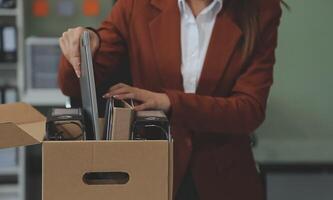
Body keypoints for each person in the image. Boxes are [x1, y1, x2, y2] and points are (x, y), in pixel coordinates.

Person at [58, 0, 282, 199]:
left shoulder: (261, 8)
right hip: (151, 172)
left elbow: (249, 110)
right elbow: (73, 84)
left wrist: (169, 102)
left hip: (225, 178)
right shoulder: (135, 5)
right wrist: (84, 43)